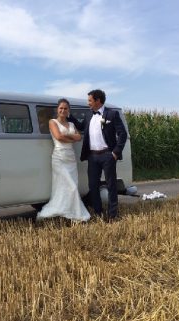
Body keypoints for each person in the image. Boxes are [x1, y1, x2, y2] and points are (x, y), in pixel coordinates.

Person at [68, 89, 127, 220]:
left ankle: (113, 215)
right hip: (93, 157)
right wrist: (69, 116)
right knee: (93, 185)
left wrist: (116, 153)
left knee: (111, 185)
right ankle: (98, 212)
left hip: (108, 155)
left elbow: (123, 134)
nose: (88, 103)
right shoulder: (89, 115)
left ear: (98, 100)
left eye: (90, 100)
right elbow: (81, 127)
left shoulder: (112, 114)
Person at [37, 98, 91, 222]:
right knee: (66, 186)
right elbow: (59, 137)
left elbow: (79, 137)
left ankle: (69, 212)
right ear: (57, 109)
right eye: (61, 108)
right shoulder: (52, 122)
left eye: (65, 108)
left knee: (71, 185)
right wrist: (72, 138)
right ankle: (66, 211)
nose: (63, 110)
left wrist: (70, 137)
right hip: (59, 157)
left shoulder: (71, 124)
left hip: (71, 158)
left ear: (68, 111)